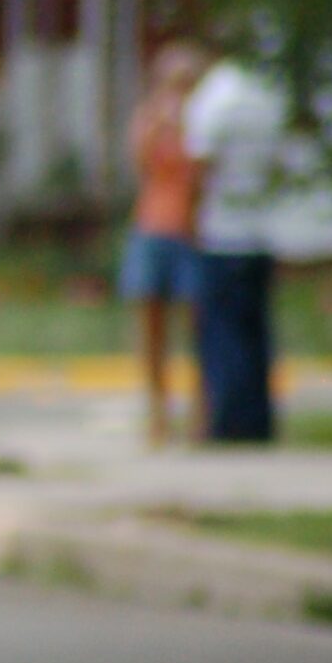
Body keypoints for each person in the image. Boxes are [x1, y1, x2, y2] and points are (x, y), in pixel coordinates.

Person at [180, 54, 290, 444]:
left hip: (220, 232)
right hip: (259, 231)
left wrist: (189, 220)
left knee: (222, 333)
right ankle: (259, 420)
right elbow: (281, 165)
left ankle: (228, 422)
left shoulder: (214, 98)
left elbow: (198, 165)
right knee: (257, 332)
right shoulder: (268, 97)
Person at [120, 41, 209, 445]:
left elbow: (205, 171)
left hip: (191, 231)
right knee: (152, 324)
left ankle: (200, 412)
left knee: (198, 326)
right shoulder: (149, 117)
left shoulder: (205, 120)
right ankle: (157, 411)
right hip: (152, 226)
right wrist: (159, 123)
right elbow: (138, 162)